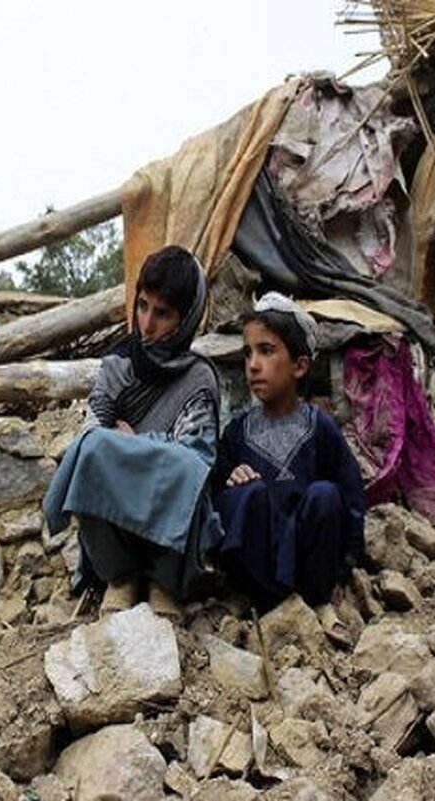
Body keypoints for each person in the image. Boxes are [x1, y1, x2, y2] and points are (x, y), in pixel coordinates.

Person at [43, 245, 221, 618]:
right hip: (116, 526)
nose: (147, 324)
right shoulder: (118, 366)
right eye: (142, 306)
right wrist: (149, 448)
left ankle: (162, 581)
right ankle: (120, 577)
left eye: (163, 313)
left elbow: (197, 458)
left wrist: (135, 443)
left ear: (187, 317)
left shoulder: (199, 378)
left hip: (169, 533)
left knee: (185, 470)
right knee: (91, 452)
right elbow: (94, 433)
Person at [213, 292, 366, 614]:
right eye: (248, 353)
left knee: (325, 494)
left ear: (299, 366)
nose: (253, 365)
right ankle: (263, 601)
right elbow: (215, 503)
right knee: (246, 493)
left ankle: (315, 601)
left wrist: (343, 570)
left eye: (266, 351)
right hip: (257, 574)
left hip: (310, 572)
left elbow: (351, 501)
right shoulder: (236, 433)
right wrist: (233, 482)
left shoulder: (321, 427)